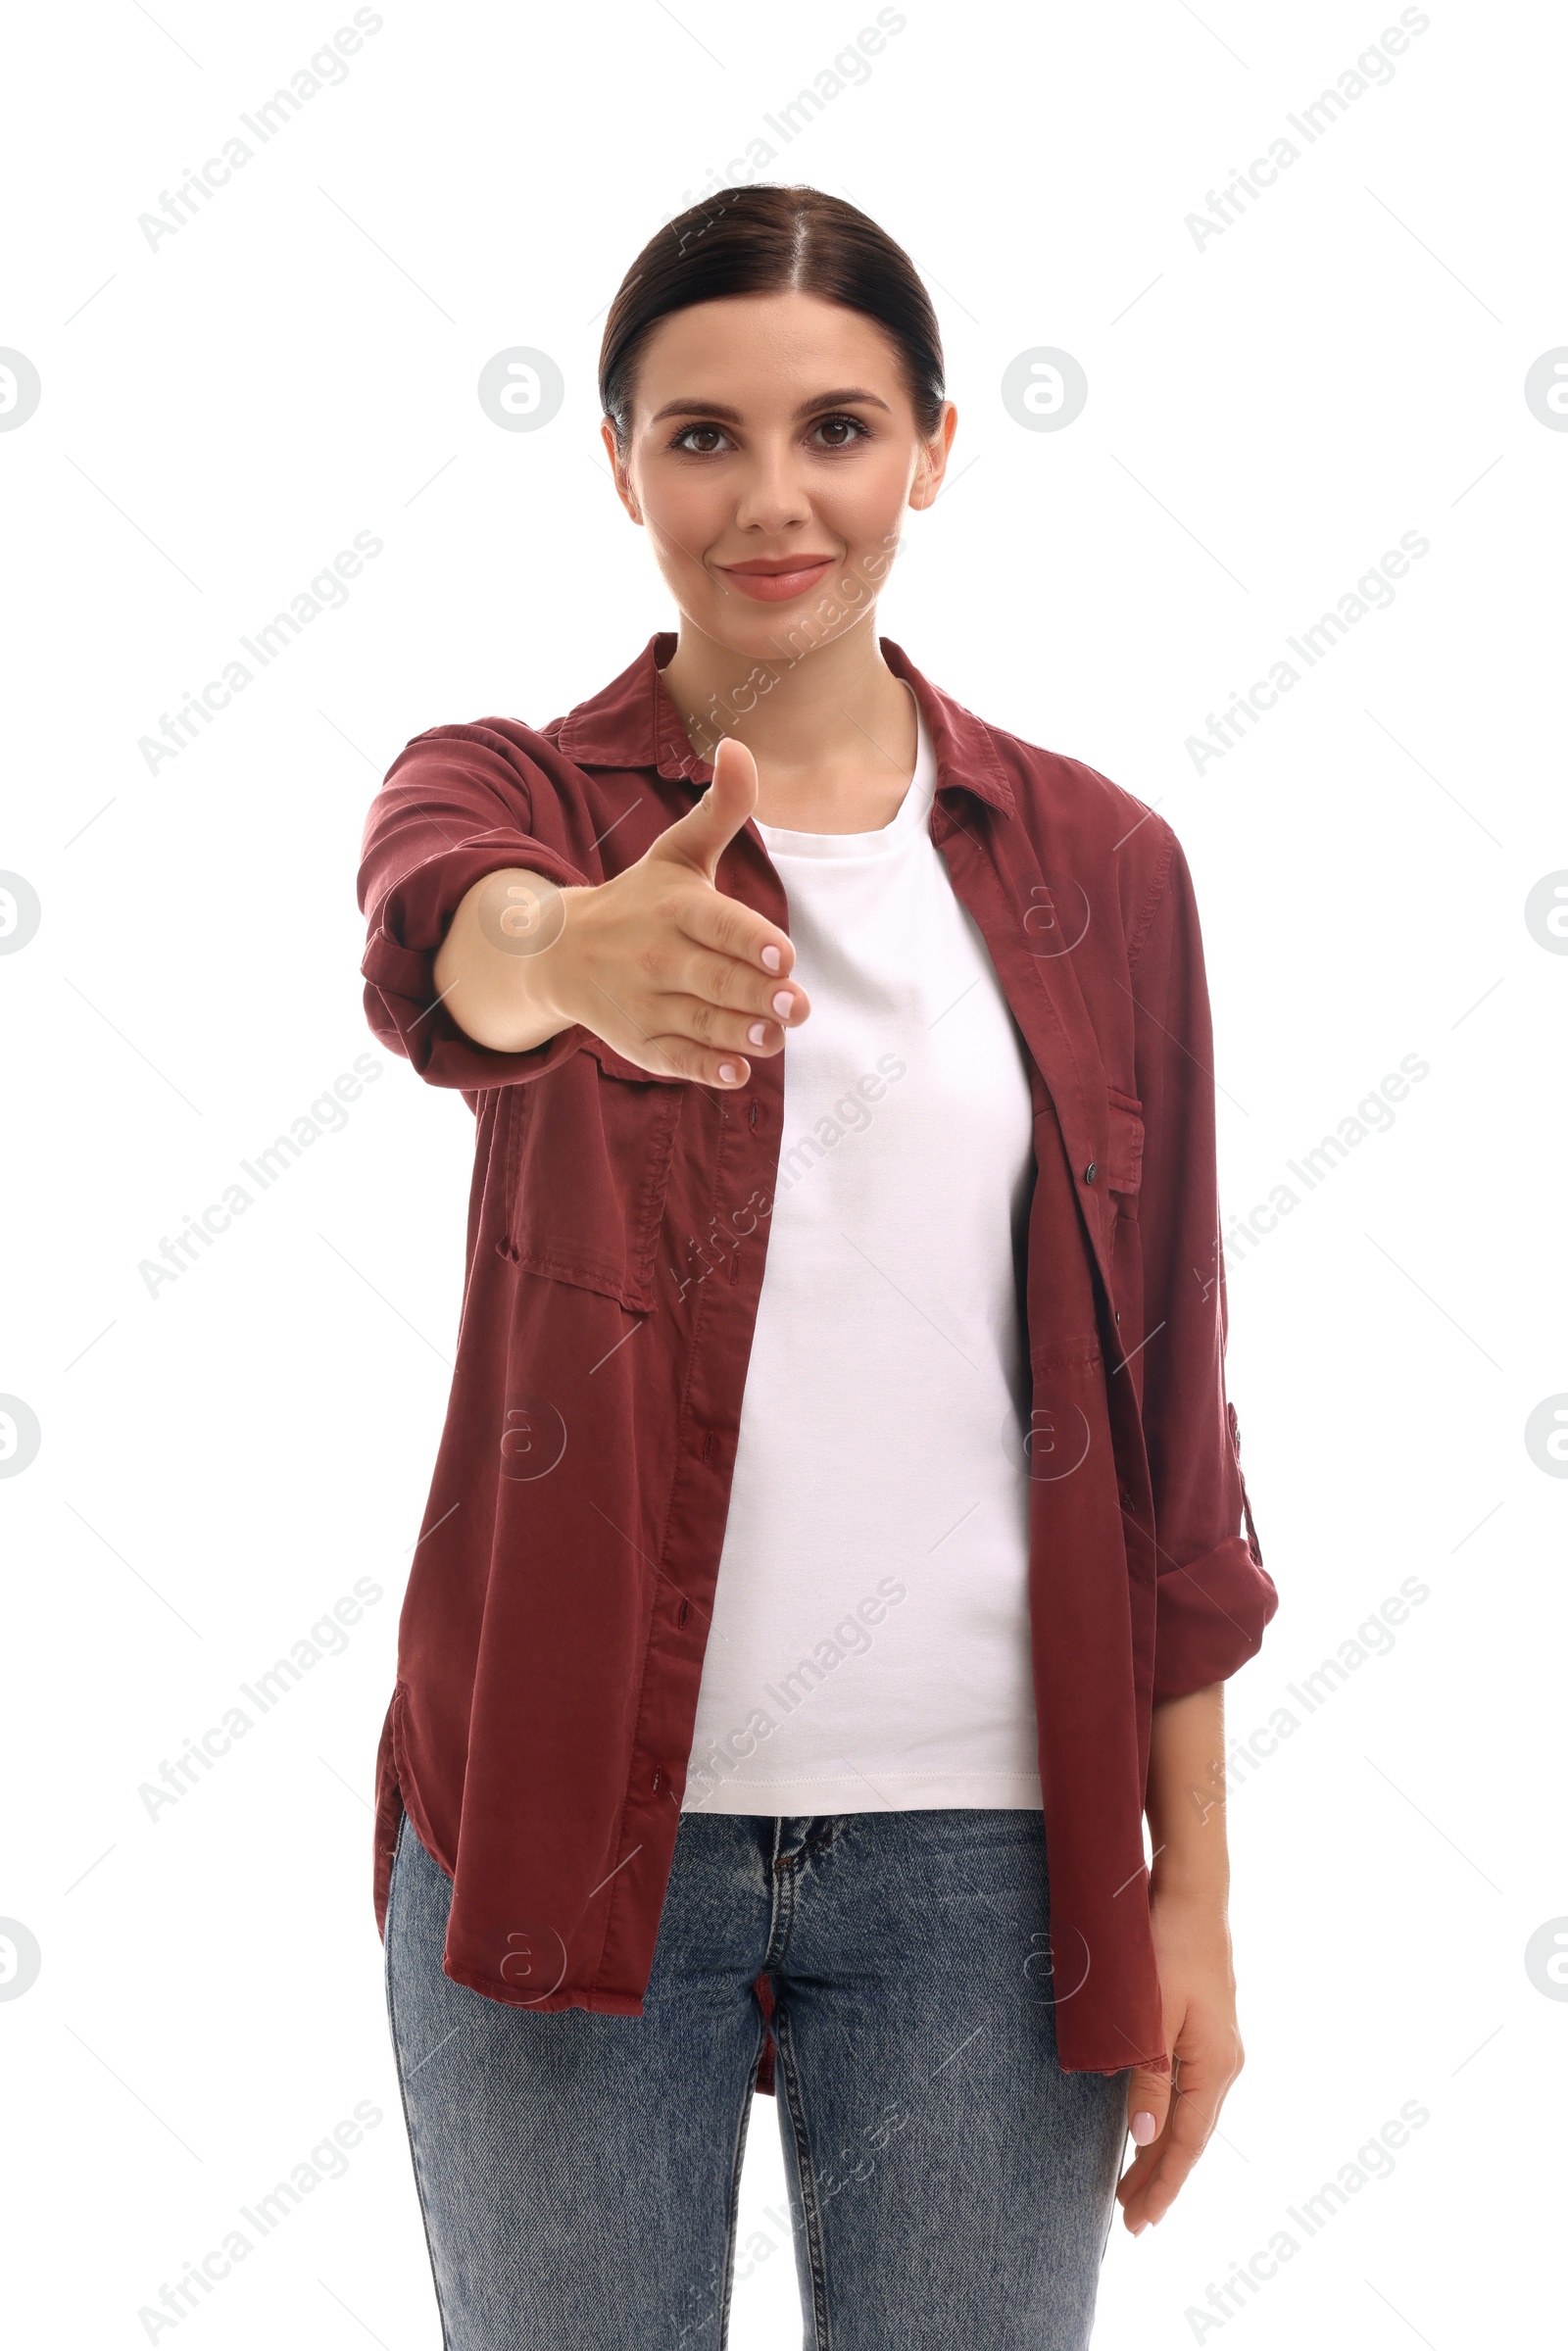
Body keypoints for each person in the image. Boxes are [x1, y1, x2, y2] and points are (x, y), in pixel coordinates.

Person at [356, 182, 1277, 2351]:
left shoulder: (1103, 871)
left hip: (987, 1864)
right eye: (700, 438)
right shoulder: (515, 801)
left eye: (836, 429)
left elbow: (1170, 1434)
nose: (771, 499)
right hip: (571, 1823)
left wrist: (1193, 1905)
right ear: (617, 464)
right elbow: (444, 936)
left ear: (932, 449)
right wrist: (565, 951)